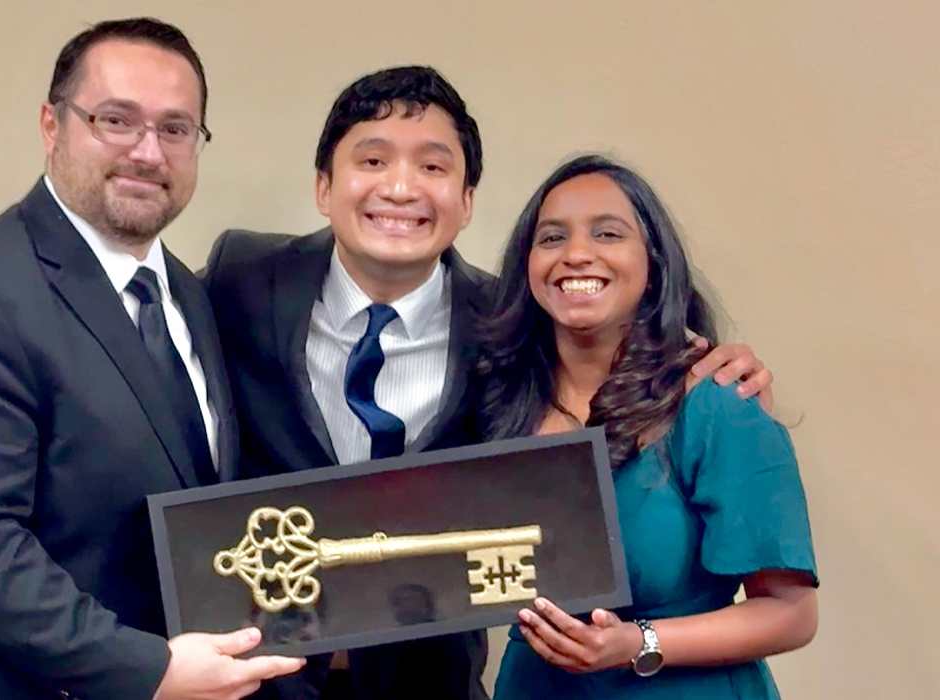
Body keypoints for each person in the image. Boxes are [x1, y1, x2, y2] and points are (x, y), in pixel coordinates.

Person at [202, 66, 773, 700]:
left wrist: (714, 377)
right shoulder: (241, 278)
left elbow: (609, 376)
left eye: (432, 167)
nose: (399, 187)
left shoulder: (511, 327)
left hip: (430, 683)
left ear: (466, 200)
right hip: (255, 678)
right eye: (372, 159)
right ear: (323, 186)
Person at [0, 18, 303, 700]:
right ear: (52, 125)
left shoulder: (186, 294)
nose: (147, 151)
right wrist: (152, 670)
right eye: (116, 120)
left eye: (175, 128)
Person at [478, 154, 818, 699]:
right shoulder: (495, 402)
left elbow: (792, 614)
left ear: (653, 261)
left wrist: (637, 642)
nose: (577, 254)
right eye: (552, 238)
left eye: (608, 233)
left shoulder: (717, 404)